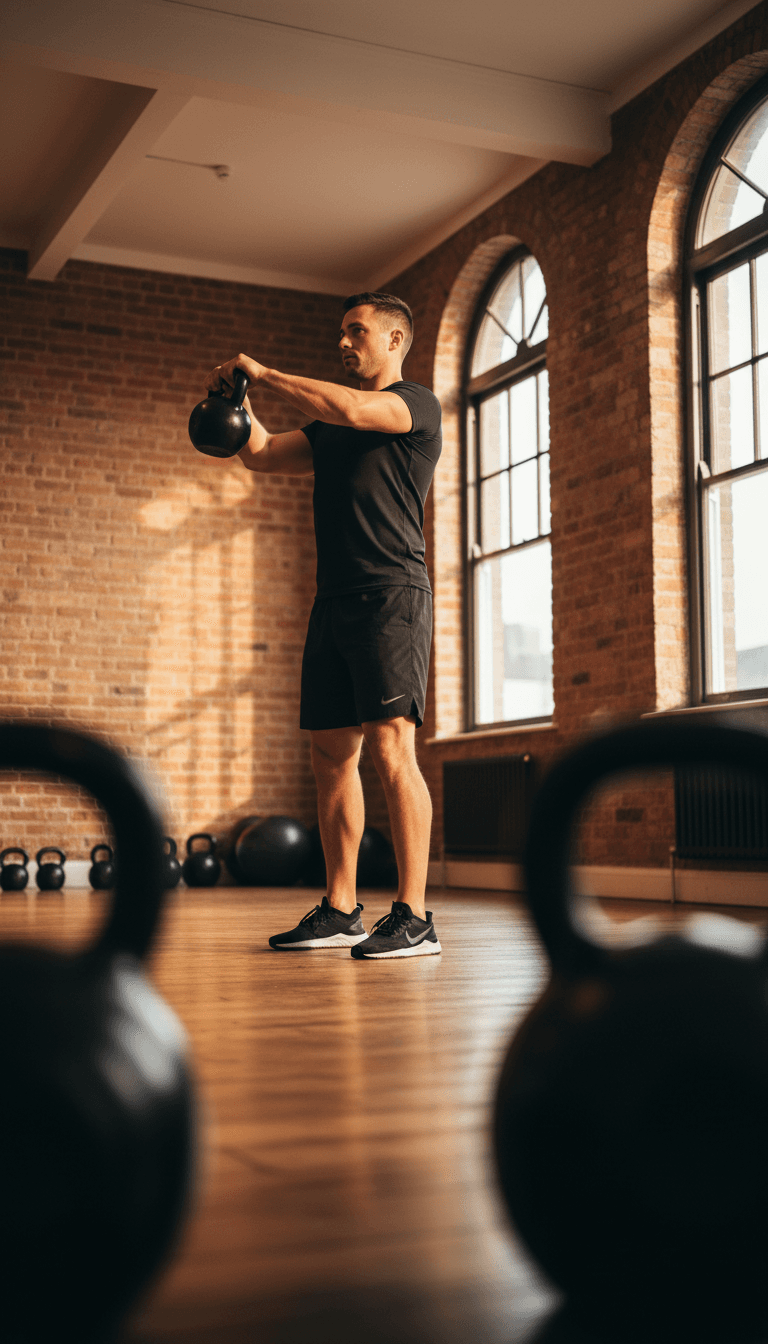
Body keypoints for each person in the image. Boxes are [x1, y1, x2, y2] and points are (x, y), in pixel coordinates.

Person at [206, 292, 442, 959]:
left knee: (394, 752)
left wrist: (271, 372)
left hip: (391, 593)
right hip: (333, 600)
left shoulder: (413, 405)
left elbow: (352, 407)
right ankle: (342, 909)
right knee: (331, 757)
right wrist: (240, 405)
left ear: (395, 341)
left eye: (357, 331)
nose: (345, 341)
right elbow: (260, 455)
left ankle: (415, 917)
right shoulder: (329, 428)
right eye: (342, 332)